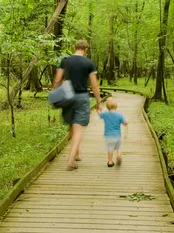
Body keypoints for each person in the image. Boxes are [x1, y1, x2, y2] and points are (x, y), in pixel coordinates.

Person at [53, 40, 102, 170]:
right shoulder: (89, 63)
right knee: (78, 129)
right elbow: (94, 85)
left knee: (71, 126)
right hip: (81, 97)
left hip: (67, 96)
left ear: (75, 48)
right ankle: (71, 160)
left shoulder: (65, 61)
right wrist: (98, 102)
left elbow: (57, 80)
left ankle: (78, 153)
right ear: (86, 49)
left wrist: (56, 95)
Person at [98, 97, 128, 167]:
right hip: (117, 135)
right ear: (116, 106)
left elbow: (100, 114)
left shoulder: (105, 114)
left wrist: (99, 109)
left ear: (107, 107)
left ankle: (110, 161)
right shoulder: (119, 115)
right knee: (119, 147)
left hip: (108, 136)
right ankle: (118, 155)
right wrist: (127, 122)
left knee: (110, 149)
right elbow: (125, 123)